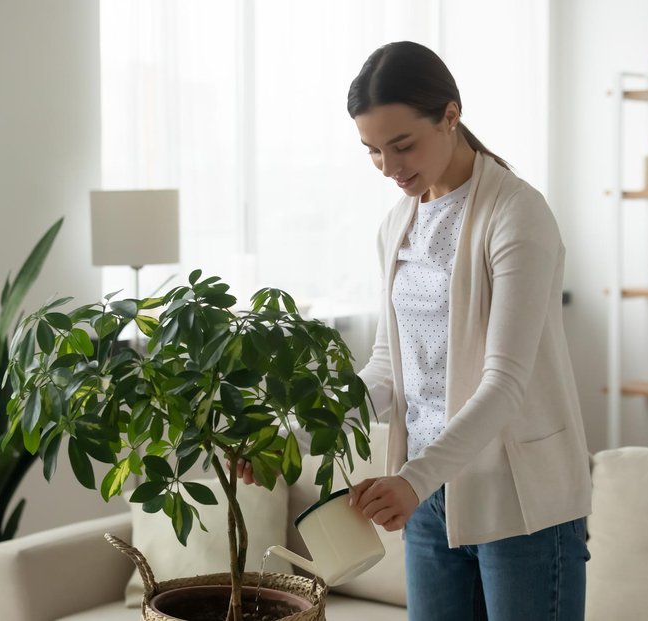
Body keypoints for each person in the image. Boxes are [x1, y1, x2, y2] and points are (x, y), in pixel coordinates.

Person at [238, 40, 592, 620]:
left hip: (522, 503)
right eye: (372, 151)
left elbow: (504, 383)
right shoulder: (397, 225)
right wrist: (294, 437)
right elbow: (386, 367)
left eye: (402, 145)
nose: (390, 168)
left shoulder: (517, 215)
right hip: (428, 500)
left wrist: (413, 480)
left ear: (451, 115)